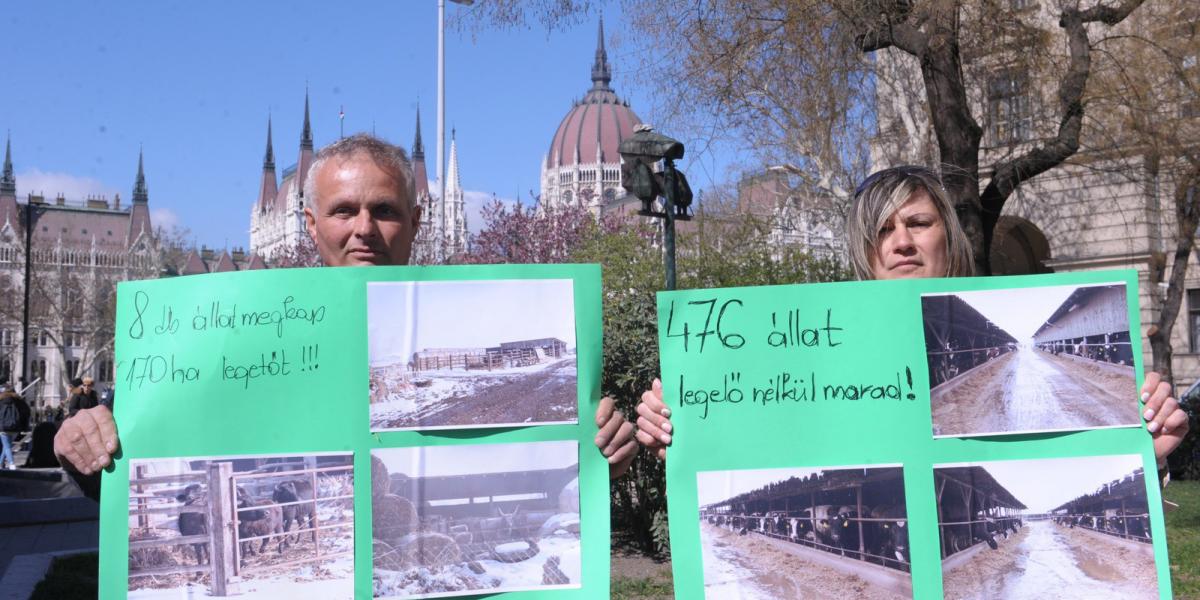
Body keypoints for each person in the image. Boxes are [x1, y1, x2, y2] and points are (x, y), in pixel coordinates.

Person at [54, 134, 638, 483]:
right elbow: (176, 452)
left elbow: (528, 467)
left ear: (417, 221)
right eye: (343, 211)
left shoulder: (498, 319)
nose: (364, 229)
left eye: (383, 209)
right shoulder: (244, 337)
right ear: (309, 226)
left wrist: (596, 459)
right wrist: (85, 448)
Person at [636, 165, 1190, 470]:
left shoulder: (991, 326)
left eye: (918, 223)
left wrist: (1146, 456)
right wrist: (685, 433)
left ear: (949, 235)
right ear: (864, 251)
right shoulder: (810, 361)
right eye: (882, 230)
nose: (900, 242)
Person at [1, 383, 31, 470]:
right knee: (7, 446)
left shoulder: (1, 400)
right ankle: (0, 463)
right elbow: (27, 411)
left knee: (7, 446)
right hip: (16, 427)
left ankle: (11, 463)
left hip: (3, 427)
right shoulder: (19, 400)